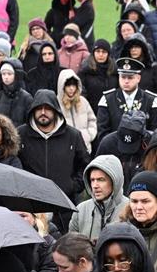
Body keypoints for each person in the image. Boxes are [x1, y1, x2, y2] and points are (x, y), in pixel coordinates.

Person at [17, 90, 90, 227]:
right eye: (39, 108)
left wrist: (72, 185)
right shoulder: (21, 134)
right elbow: (13, 164)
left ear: (56, 110)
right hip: (31, 208)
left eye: (48, 108)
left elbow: (85, 165)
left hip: (64, 207)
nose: (43, 112)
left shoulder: (73, 135)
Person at [68, 155, 128, 243]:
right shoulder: (80, 210)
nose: (95, 185)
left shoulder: (130, 208)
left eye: (101, 180)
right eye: (92, 180)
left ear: (114, 180)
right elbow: (71, 247)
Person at [57, 69, 97, 152]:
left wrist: (88, 135)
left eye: (74, 85)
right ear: (62, 86)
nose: (71, 88)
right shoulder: (56, 104)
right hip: (65, 150)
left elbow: (92, 120)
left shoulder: (83, 101)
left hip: (85, 148)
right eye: (68, 85)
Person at [0, 58, 34, 126]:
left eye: (9, 74)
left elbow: (30, 123)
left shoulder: (26, 98)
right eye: (3, 74)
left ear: (17, 75)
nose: (6, 77)